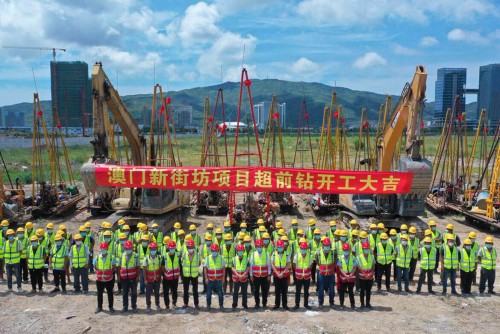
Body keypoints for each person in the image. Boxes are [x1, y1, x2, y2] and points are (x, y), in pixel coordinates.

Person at [94, 242, 116, 313]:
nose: (103, 250)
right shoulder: (97, 257)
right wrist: (99, 272)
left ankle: (111, 307)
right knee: (99, 293)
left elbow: (114, 266)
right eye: (102, 248)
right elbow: (94, 266)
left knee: (110, 293)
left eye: (104, 248)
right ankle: (99, 307)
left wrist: (109, 273)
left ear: (107, 249)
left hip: (109, 279)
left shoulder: (111, 257)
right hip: (99, 279)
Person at [118, 240, 139, 313]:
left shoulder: (136, 255)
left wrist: (137, 277)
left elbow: (138, 267)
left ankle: (134, 306)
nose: (128, 250)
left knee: (134, 293)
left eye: (129, 248)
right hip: (124, 278)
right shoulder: (121, 255)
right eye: (127, 248)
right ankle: (125, 306)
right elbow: (119, 267)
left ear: (132, 248)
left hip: (133, 278)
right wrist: (118, 277)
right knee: (124, 293)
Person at [250, 239, 271, 309]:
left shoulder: (266, 254)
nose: (259, 247)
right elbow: (251, 266)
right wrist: (251, 275)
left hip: (264, 276)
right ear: (256, 246)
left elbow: (268, 265)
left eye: (260, 246)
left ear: (262, 246)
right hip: (256, 276)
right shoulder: (253, 254)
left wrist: (269, 274)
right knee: (256, 291)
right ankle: (257, 304)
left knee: (264, 290)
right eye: (258, 246)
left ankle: (264, 303)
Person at [205, 243, 225, 310]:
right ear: (211, 251)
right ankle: (208, 305)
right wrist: (206, 278)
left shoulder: (221, 258)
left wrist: (223, 278)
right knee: (208, 293)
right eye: (213, 251)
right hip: (210, 279)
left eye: (215, 251)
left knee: (220, 293)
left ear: (218, 250)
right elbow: (205, 269)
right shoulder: (207, 258)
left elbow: (223, 268)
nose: (214, 252)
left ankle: (221, 305)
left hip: (219, 279)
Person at [316, 237, 335, 309]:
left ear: (330, 246)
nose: (327, 247)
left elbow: (335, 262)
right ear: (323, 245)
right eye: (325, 245)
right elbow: (317, 262)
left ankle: (332, 302)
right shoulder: (319, 253)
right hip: (322, 274)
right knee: (321, 289)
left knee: (332, 289)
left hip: (331, 275)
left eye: (328, 245)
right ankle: (320, 302)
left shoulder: (333, 253)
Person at [181, 239, 200, 310]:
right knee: (186, 290)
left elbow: (199, 263)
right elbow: (182, 263)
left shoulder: (197, 255)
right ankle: (185, 303)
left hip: (194, 275)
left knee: (195, 290)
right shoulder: (184, 254)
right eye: (189, 247)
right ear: (187, 247)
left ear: (194, 247)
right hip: (186, 275)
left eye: (192, 247)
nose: (190, 248)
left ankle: (196, 304)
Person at [144, 242, 162, 313]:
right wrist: (145, 280)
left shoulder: (159, 258)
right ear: (149, 249)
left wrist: (160, 277)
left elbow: (160, 268)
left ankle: (157, 304)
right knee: (148, 293)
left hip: (157, 279)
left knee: (157, 293)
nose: (153, 250)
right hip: (149, 280)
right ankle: (148, 305)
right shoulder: (146, 259)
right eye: (152, 249)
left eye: (154, 249)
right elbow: (144, 270)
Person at [271, 239, 290, 310]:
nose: (280, 248)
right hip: (276, 276)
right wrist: (277, 273)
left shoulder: (287, 254)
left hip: (284, 276)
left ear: (283, 246)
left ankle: (285, 305)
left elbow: (288, 264)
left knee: (284, 291)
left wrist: (283, 273)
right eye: (278, 247)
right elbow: (272, 264)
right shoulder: (274, 254)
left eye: (281, 246)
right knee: (277, 291)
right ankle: (277, 304)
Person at [337, 243, 357, 309]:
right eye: (344, 250)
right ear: (342, 250)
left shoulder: (353, 257)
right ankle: (341, 304)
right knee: (342, 291)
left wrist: (351, 274)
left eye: (347, 250)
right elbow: (340, 268)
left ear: (349, 250)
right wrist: (345, 275)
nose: (346, 251)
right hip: (343, 277)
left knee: (351, 291)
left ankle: (353, 304)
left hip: (351, 277)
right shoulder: (340, 258)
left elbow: (355, 267)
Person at [293, 241, 312, 310]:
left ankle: (306, 304)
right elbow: (294, 264)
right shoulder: (297, 256)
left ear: (306, 249)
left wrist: (307, 270)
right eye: (302, 249)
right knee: (298, 291)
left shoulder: (309, 256)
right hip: (299, 277)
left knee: (306, 291)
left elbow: (311, 264)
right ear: (300, 248)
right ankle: (297, 304)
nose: (303, 250)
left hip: (307, 277)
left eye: (304, 249)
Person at [162, 241, 180, 310]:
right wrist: (165, 274)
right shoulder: (165, 256)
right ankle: (167, 305)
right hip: (166, 277)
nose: (172, 249)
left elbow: (179, 265)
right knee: (166, 292)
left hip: (175, 277)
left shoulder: (178, 255)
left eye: (173, 248)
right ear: (168, 248)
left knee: (174, 291)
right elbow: (162, 266)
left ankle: (174, 303)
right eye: (170, 248)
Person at [357, 242, 375, 309]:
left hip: (370, 277)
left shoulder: (372, 256)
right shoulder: (359, 257)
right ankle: (362, 304)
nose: (366, 250)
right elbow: (358, 266)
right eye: (365, 249)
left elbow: (373, 265)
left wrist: (371, 273)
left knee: (368, 291)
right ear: (362, 249)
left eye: (367, 249)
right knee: (362, 291)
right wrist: (364, 274)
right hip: (362, 277)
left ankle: (368, 304)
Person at [232, 243, 250, 310]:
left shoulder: (246, 258)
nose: (240, 252)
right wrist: (238, 275)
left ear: (243, 251)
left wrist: (243, 275)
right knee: (235, 292)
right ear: (237, 251)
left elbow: (248, 268)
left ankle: (244, 304)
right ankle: (234, 305)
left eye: (241, 251)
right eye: (239, 251)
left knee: (244, 292)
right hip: (236, 278)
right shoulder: (234, 259)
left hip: (244, 278)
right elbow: (232, 268)